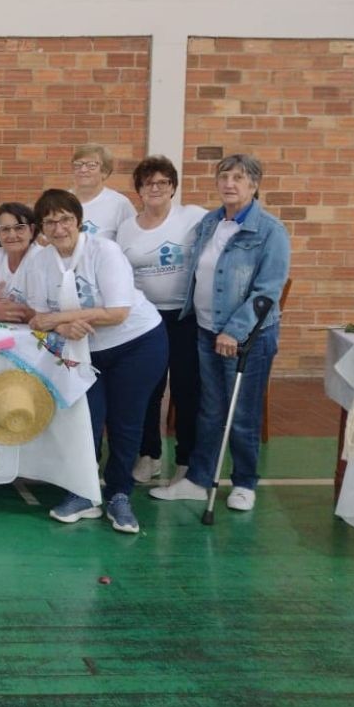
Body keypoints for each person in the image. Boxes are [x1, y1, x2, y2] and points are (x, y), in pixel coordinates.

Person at [150, 154, 290, 512]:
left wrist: (235, 331)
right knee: (209, 410)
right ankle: (198, 479)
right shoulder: (210, 222)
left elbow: (267, 291)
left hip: (246, 339)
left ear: (254, 185)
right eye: (224, 176)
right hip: (205, 329)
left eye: (239, 178)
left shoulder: (270, 231)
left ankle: (245, 482)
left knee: (241, 413)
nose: (230, 184)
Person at [24, 189, 167, 534]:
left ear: (79, 221)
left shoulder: (104, 250)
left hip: (137, 343)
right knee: (85, 419)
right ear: (42, 229)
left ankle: (119, 494)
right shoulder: (40, 261)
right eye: (50, 222)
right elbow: (38, 315)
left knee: (125, 422)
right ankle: (84, 493)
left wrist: (61, 317)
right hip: (84, 349)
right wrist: (63, 322)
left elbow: (118, 312)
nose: (59, 228)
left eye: (65, 219)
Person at [116, 155, 206, 484]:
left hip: (185, 317)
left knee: (186, 390)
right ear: (138, 189)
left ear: (173, 188)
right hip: (145, 321)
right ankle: (148, 454)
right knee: (147, 390)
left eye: (162, 183)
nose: (155, 188)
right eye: (148, 183)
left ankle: (186, 459)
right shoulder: (127, 228)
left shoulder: (193, 217)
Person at [70, 143, 136, 242]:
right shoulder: (59, 201)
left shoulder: (119, 204)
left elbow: (133, 241)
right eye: (78, 164)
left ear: (104, 172)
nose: (83, 170)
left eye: (91, 165)